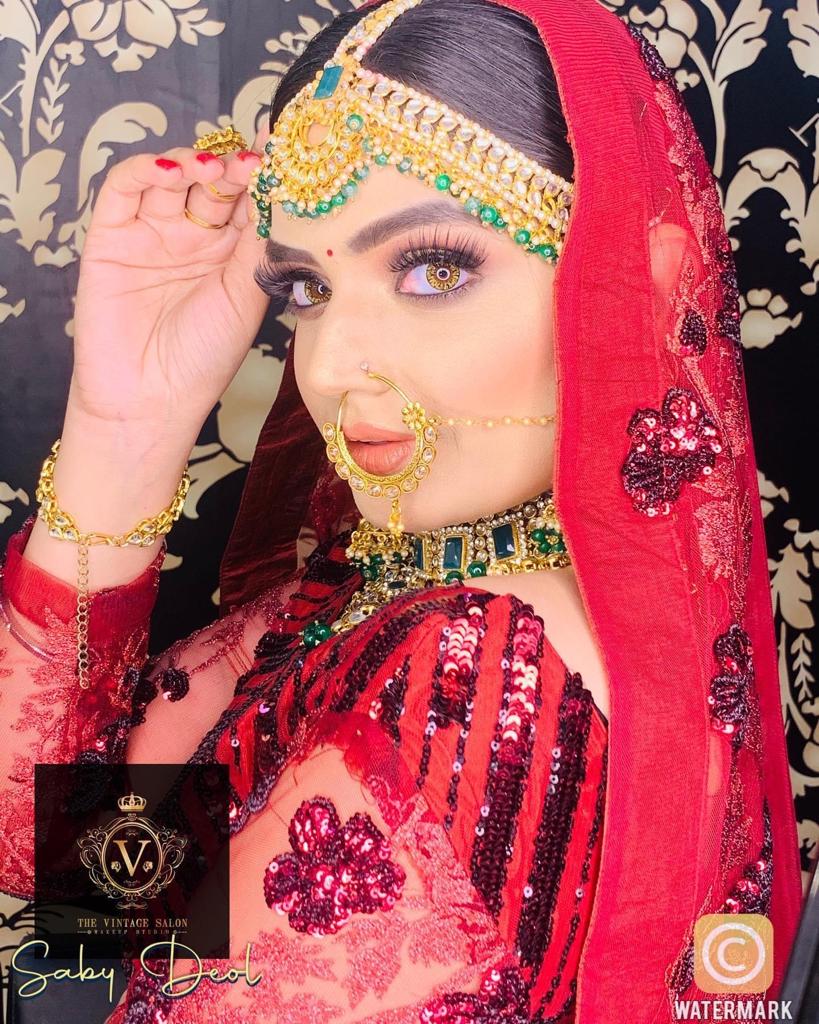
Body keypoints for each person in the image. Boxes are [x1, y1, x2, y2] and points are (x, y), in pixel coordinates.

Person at [0, 0, 804, 1020]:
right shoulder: (383, 577)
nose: (331, 364)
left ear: (635, 283)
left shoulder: (476, 671)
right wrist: (126, 422)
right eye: (305, 290)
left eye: (434, 269)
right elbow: (64, 858)